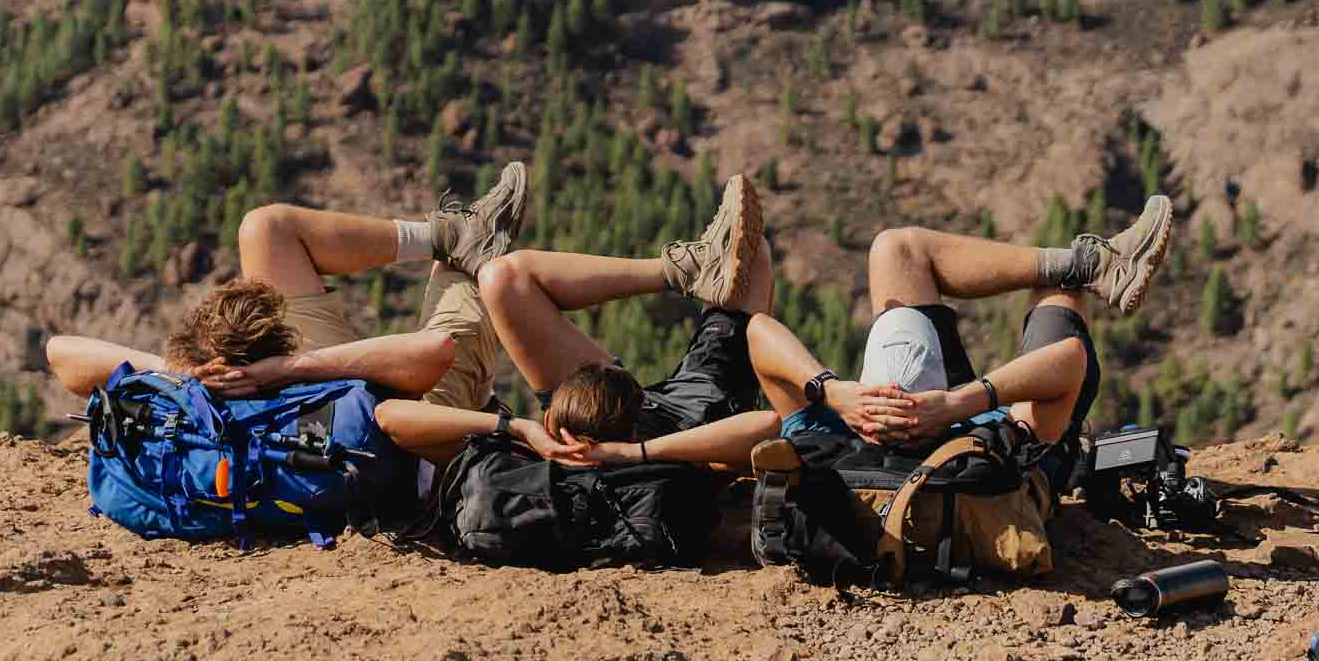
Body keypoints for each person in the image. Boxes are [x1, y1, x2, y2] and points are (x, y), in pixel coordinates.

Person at [43, 163, 564, 463]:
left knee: (264, 229)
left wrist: (181, 375)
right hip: (413, 419)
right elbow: (433, 353)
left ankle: (442, 233)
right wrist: (289, 370)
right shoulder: (295, 375)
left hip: (286, 384)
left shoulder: (204, 390)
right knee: (459, 278)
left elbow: (60, 353)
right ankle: (467, 252)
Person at [478, 172, 911, 470]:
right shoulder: (642, 472)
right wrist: (635, 454)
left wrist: (531, 430)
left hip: (598, 412)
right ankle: (688, 271)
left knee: (501, 278)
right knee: (755, 255)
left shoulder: (561, 441)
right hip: (697, 419)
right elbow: (766, 425)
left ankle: (679, 271)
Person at [770, 196, 1176, 490]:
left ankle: (1091, 264)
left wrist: (831, 391)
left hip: (948, 409)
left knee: (895, 248)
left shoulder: (841, 432)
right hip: (1007, 422)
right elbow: (1069, 359)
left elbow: (758, 333)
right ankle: (1087, 267)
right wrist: (959, 403)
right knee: (1059, 292)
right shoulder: (1009, 446)